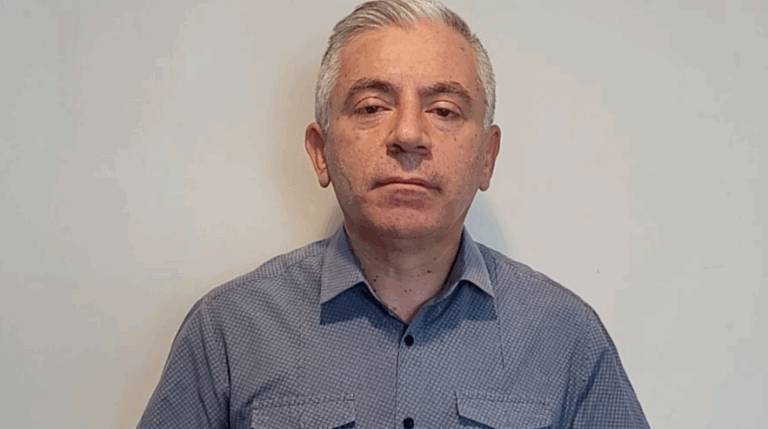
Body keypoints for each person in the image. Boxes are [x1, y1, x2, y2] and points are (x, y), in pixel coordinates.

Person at [138, 0, 650, 428]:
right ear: (320, 151)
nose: (407, 134)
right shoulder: (229, 331)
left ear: (486, 157)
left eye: (444, 110)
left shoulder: (566, 338)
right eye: (371, 107)